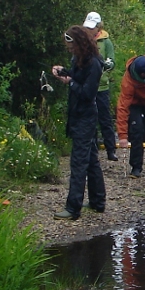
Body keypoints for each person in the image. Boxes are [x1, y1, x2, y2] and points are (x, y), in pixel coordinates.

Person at [51, 25, 106, 219]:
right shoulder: (80, 60)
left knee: (78, 162)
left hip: (86, 116)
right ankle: (98, 201)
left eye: (71, 46)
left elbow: (87, 92)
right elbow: (77, 77)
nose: (69, 50)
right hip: (77, 115)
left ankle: (73, 208)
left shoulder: (94, 64)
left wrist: (69, 82)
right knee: (91, 159)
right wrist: (64, 71)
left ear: (79, 43)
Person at [82, 11, 118, 161]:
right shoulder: (83, 40)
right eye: (88, 28)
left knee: (105, 119)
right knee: (89, 119)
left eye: (92, 28)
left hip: (102, 86)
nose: (89, 31)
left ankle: (111, 150)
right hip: (87, 86)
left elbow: (112, 60)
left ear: (98, 27)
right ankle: (92, 149)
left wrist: (107, 65)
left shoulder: (106, 42)